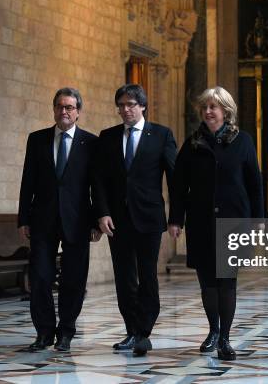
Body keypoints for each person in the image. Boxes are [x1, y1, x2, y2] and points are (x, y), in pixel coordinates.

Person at [168, 87, 264, 361]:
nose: (208, 111)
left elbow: (255, 184)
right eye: (205, 107)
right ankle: (213, 329)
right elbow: (178, 186)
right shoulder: (193, 143)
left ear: (226, 111)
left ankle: (225, 338)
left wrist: (258, 221)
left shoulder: (243, 141)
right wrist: (176, 219)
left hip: (234, 222)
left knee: (227, 282)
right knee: (207, 283)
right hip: (201, 222)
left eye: (214, 107)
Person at [95, 84, 176, 356]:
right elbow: (100, 181)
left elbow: (174, 179)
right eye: (121, 105)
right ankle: (132, 330)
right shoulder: (107, 137)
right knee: (124, 277)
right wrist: (102, 213)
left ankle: (144, 331)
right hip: (117, 220)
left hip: (149, 218)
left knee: (147, 274)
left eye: (130, 104)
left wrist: (177, 217)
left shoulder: (161, 135)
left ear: (142, 106)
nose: (125, 110)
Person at [18, 88, 100, 352]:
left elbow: (97, 185)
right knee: (40, 276)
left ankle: (66, 332)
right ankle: (44, 332)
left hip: (78, 221)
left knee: (74, 279)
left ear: (78, 112)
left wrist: (98, 220)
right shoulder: (37, 139)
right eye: (59, 107)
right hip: (42, 219)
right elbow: (27, 180)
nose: (64, 112)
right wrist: (23, 218)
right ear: (54, 109)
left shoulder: (91, 142)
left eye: (69, 107)